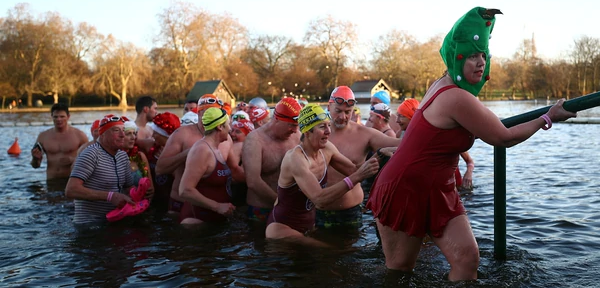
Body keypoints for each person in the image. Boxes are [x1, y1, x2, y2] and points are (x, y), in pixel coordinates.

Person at [366, 7, 576, 281]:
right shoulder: (456, 97)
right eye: (472, 56)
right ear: (456, 57)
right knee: (399, 272)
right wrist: (547, 117)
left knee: (467, 259)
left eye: (483, 55)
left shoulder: (444, 83)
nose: (481, 63)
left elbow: (489, 126)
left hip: (439, 187)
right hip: (407, 187)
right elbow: (504, 137)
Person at [265, 104, 380, 246]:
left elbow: (353, 170)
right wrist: (356, 177)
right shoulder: (295, 159)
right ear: (307, 132)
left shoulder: (326, 149)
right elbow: (319, 199)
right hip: (282, 228)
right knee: (328, 251)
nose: (328, 131)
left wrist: (380, 155)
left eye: (328, 125)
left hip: (308, 225)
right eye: (322, 127)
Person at [316, 86, 400, 229]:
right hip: (317, 211)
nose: (343, 117)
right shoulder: (314, 133)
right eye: (338, 111)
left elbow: (401, 145)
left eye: (348, 112)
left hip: (351, 211)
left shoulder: (364, 134)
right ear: (329, 106)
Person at [155, 94, 228, 216]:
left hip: (216, 208)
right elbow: (160, 169)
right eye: (209, 111)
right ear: (198, 113)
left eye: (217, 111)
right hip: (182, 203)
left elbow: (233, 170)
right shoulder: (182, 134)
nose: (213, 114)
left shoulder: (226, 137)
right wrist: (187, 153)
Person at [65, 114, 135, 224]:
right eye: (116, 130)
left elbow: (128, 187)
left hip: (115, 221)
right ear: (102, 134)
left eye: (123, 130)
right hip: (88, 225)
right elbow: (71, 190)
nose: (123, 135)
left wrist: (140, 193)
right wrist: (109, 196)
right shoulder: (91, 154)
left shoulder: (122, 156)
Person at [243, 97, 302, 221]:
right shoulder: (255, 140)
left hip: (291, 206)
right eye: (291, 125)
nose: (295, 130)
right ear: (277, 119)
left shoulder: (296, 135)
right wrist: (281, 203)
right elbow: (253, 181)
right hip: (262, 209)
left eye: (297, 125)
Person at [397, 99, 475, 190]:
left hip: (452, 183)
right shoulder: (400, 134)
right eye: (397, 115)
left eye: (402, 116)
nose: (397, 121)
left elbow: (470, 161)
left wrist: (468, 174)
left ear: (411, 118)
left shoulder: (434, 135)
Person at [178, 107, 235, 224]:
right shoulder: (201, 150)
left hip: (212, 221)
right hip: (196, 221)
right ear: (220, 127)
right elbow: (185, 190)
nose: (230, 129)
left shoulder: (215, 148)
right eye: (228, 124)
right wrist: (218, 206)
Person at [31, 103, 88, 180]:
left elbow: (90, 162)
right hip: (52, 181)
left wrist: (73, 160)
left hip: (72, 181)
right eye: (56, 117)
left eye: (62, 116)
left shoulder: (79, 135)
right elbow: (35, 166)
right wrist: (35, 159)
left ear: (68, 117)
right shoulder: (43, 136)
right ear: (51, 117)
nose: (59, 119)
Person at [147, 112, 180, 211]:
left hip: (170, 199)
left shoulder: (178, 152)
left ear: (164, 135)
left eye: (156, 133)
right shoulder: (151, 146)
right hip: (154, 200)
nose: (152, 135)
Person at [123, 120, 154, 200]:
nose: (133, 137)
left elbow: (151, 187)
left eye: (134, 133)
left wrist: (149, 191)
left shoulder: (140, 156)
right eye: (128, 134)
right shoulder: (112, 158)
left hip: (141, 205)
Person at [228, 117, 255, 206]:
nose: (232, 134)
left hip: (238, 195)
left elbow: (232, 177)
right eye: (232, 131)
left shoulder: (241, 146)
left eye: (238, 132)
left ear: (248, 135)